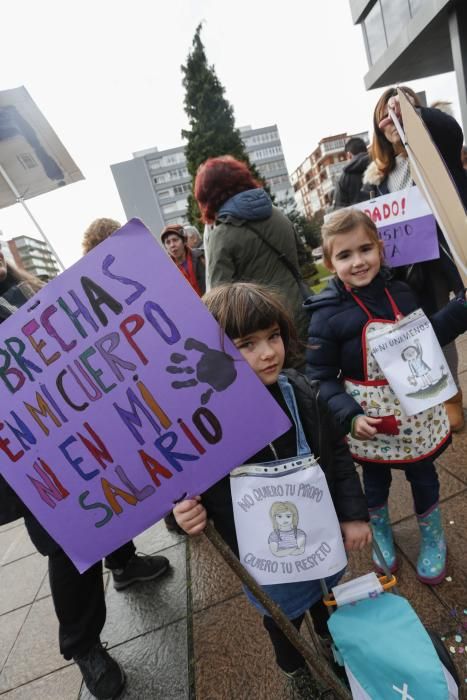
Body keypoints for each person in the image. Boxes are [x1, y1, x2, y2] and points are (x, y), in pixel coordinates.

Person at [173, 282, 370, 697]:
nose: (267, 353)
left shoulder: (300, 391)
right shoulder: (204, 422)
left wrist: (352, 513)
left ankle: (334, 642)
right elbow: (185, 484)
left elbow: (335, 451)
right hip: (262, 559)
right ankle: (295, 670)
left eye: (273, 336)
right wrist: (184, 512)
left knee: (327, 599)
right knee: (281, 621)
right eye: (247, 343)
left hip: (319, 537)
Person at [0, 243, 170, 700]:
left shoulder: (27, 291)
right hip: (30, 452)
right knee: (66, 541)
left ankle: (123, 562)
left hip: (76, 429)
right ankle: (83, 645)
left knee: (107, 496)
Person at [305, 208, 467, 586]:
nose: (358, 262)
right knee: (374, 482)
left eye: (365, 249)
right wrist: (348, 416)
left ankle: (432, 535)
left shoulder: (402, 292)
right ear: (330, 262)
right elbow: (320, 378)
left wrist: (460, 309)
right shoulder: (326, 316)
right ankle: (380, 531)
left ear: (380, 248)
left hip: (416, 414)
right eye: (345, 255)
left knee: (424, 475)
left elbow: (427, 338)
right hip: (369, 420)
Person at [363, 86, 467, 431]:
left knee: (450, 319)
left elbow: (451, 130)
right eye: (384, 113)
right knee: (431, 330)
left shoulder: (437, 153)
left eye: (395, 111)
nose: (389, 119)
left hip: (447, 252)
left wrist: (412, 115)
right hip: (408, 267)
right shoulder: (377, 178)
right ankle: (449, 398)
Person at [194, 156, 309, 342]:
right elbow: (302, 255)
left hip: (265, 331)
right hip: (304, 314)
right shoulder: (277, 213)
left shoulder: (221, 234)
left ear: (208, 197)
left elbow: (218, 301)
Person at [161, 223, 205, 295]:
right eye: (168, 242)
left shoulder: (201, 256)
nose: (172, 245)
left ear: (184, 241)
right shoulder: (167, 270)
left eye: (175, 240)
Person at [333, 137, 370, 209]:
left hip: (359, 219)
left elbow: (339, 209)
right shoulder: (380, 163)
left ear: (349, 155)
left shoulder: (343, 178)